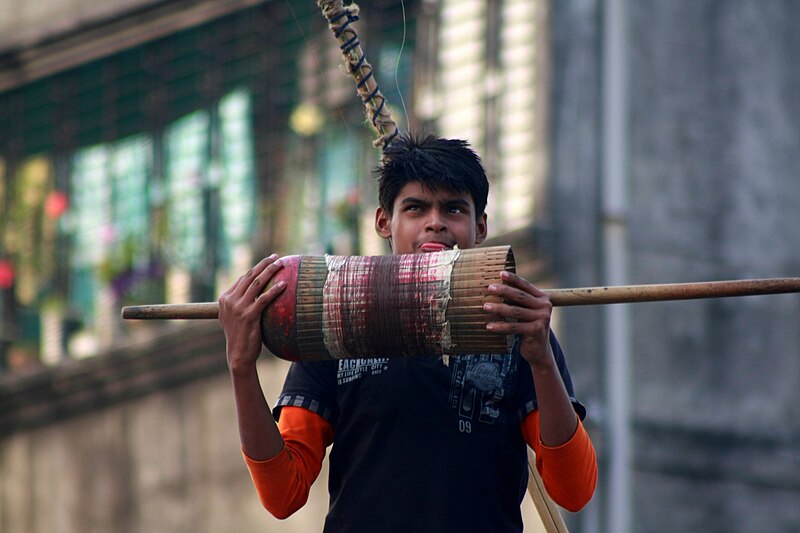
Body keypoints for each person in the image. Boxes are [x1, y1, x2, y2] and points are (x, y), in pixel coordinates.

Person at [218, 132, 597, 532]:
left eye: (453, 209)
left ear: (479, 227)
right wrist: (241, 367)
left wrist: (540, 359)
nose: (435, 223)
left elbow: (574, 490)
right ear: (384, 221)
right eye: (416, 208)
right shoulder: (335, 323)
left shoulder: (516, 329)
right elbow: (282, 495)